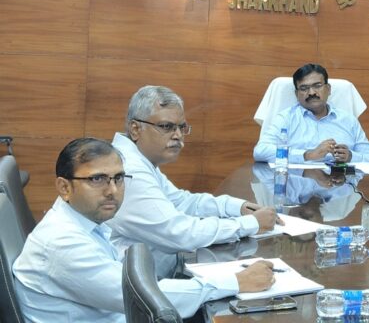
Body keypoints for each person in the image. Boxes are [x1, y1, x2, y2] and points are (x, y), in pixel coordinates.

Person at [13, 138, 275, 322]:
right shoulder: (62, 242)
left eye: (118, 178)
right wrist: (234, 282)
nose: (112, 190)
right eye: (97, 179)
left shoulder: (84, 222)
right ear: (64, 188)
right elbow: (143, 297)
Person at [108, 86, 280, 277]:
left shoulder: (140, 160)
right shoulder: (129, 170)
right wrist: (250, 224)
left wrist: (236, 207)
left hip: (158, 273)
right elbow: (179, 233)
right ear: (135, 129)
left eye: (181, 127)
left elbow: (181, 201)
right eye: (166, 127)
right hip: (138, 285)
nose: (178, 135)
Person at [253, 63, 369, 164]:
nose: (311, 92)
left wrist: (350, 156)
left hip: (339, 184)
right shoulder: (285, 118)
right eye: (304, 88)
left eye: (317, 86)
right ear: (296, 94)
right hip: (298, 182)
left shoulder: (348, 120)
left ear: (328, 89)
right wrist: (308, 155)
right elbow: (260, 152)